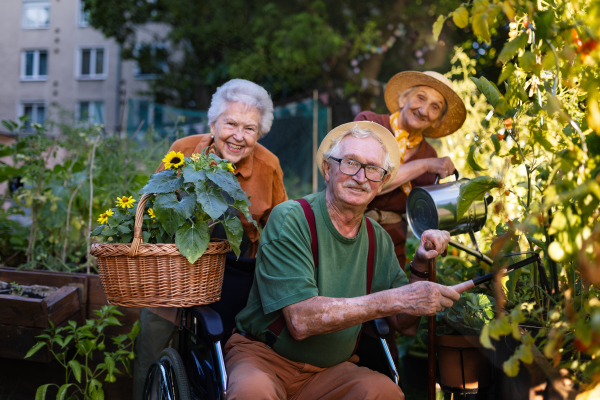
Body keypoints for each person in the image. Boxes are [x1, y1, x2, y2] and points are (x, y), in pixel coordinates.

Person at [224, 121, 460, 399]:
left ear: (382, 182)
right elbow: (300, 321)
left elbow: (405, 324)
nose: (360, 177)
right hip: (265, 358)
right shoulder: (292, 219)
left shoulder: (378, 239)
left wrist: (420, 264)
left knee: (386, 392)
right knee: (253, 393)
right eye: (350, 163)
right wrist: (394, 299)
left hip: (331, 371)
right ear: (327, 169)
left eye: (373, 169)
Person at [133, 79, 288, 399]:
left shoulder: (268, 165)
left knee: (223, 366)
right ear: (213, 122)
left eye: (250, 128)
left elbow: (280, 230)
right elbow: (155, 204)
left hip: (233, 280)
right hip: (173, 270)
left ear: (259, 134)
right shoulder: (184, 150)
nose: (238, 136)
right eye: (230, 123)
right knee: (152, 345)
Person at [354, 70, 467, 270]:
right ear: (403, 99)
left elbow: (426, 215)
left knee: (389, 296)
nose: (423, 110)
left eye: (434, 107)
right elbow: (366, 181)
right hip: (349, 229)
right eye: (420, 98)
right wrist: (425, 165)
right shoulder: (370, 124)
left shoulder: (429, 152)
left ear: (437, 120)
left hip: (390, 244)